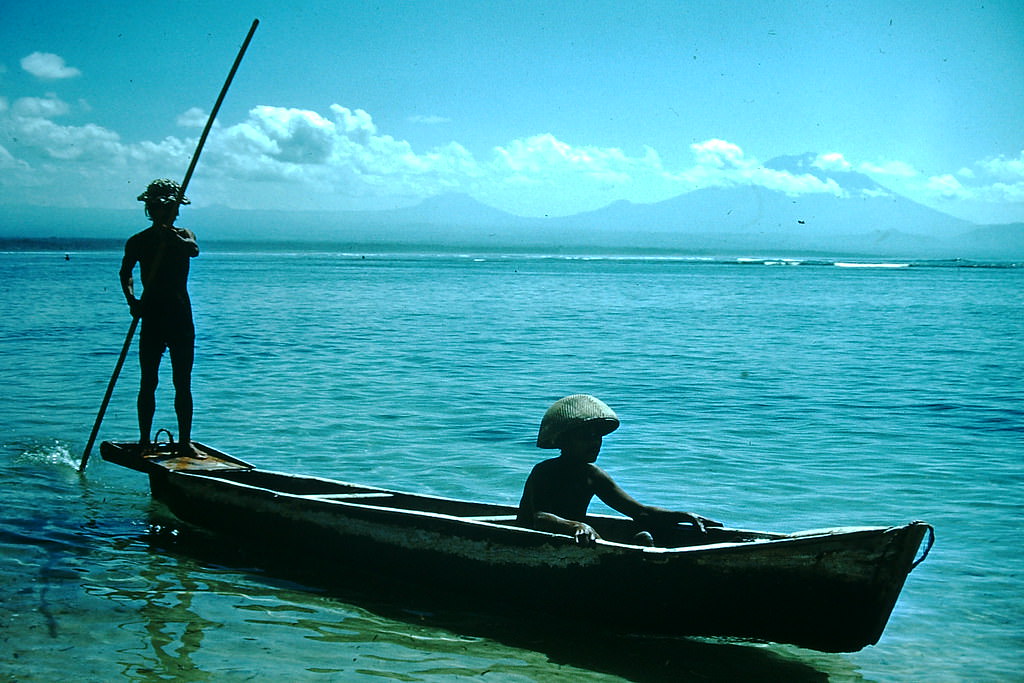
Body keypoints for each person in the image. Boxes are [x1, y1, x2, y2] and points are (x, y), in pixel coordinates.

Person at [517, 394, 722, 546]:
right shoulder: (544, 471)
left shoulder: (592, 475)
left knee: (645, 534)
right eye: (586, 437)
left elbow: (640, 512)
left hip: (575, 538)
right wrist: (577, 526)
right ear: (564, 441)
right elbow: (540, 518)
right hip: (534, 540)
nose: (595, 443)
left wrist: (683, 516)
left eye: (597, 437)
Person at [119, 178, 200, 456]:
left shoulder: (185, 234)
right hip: (152, 315)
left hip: (180, 316)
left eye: (171, 209)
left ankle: (185, 442)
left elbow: (192, 250)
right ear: (151, 210)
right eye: (160, 208)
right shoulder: (139, 241)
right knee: (148, 382)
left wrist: (170, 236)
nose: (168, 213)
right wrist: (132, 301)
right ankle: (144, 441)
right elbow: (125, 273)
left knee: (182, 382)